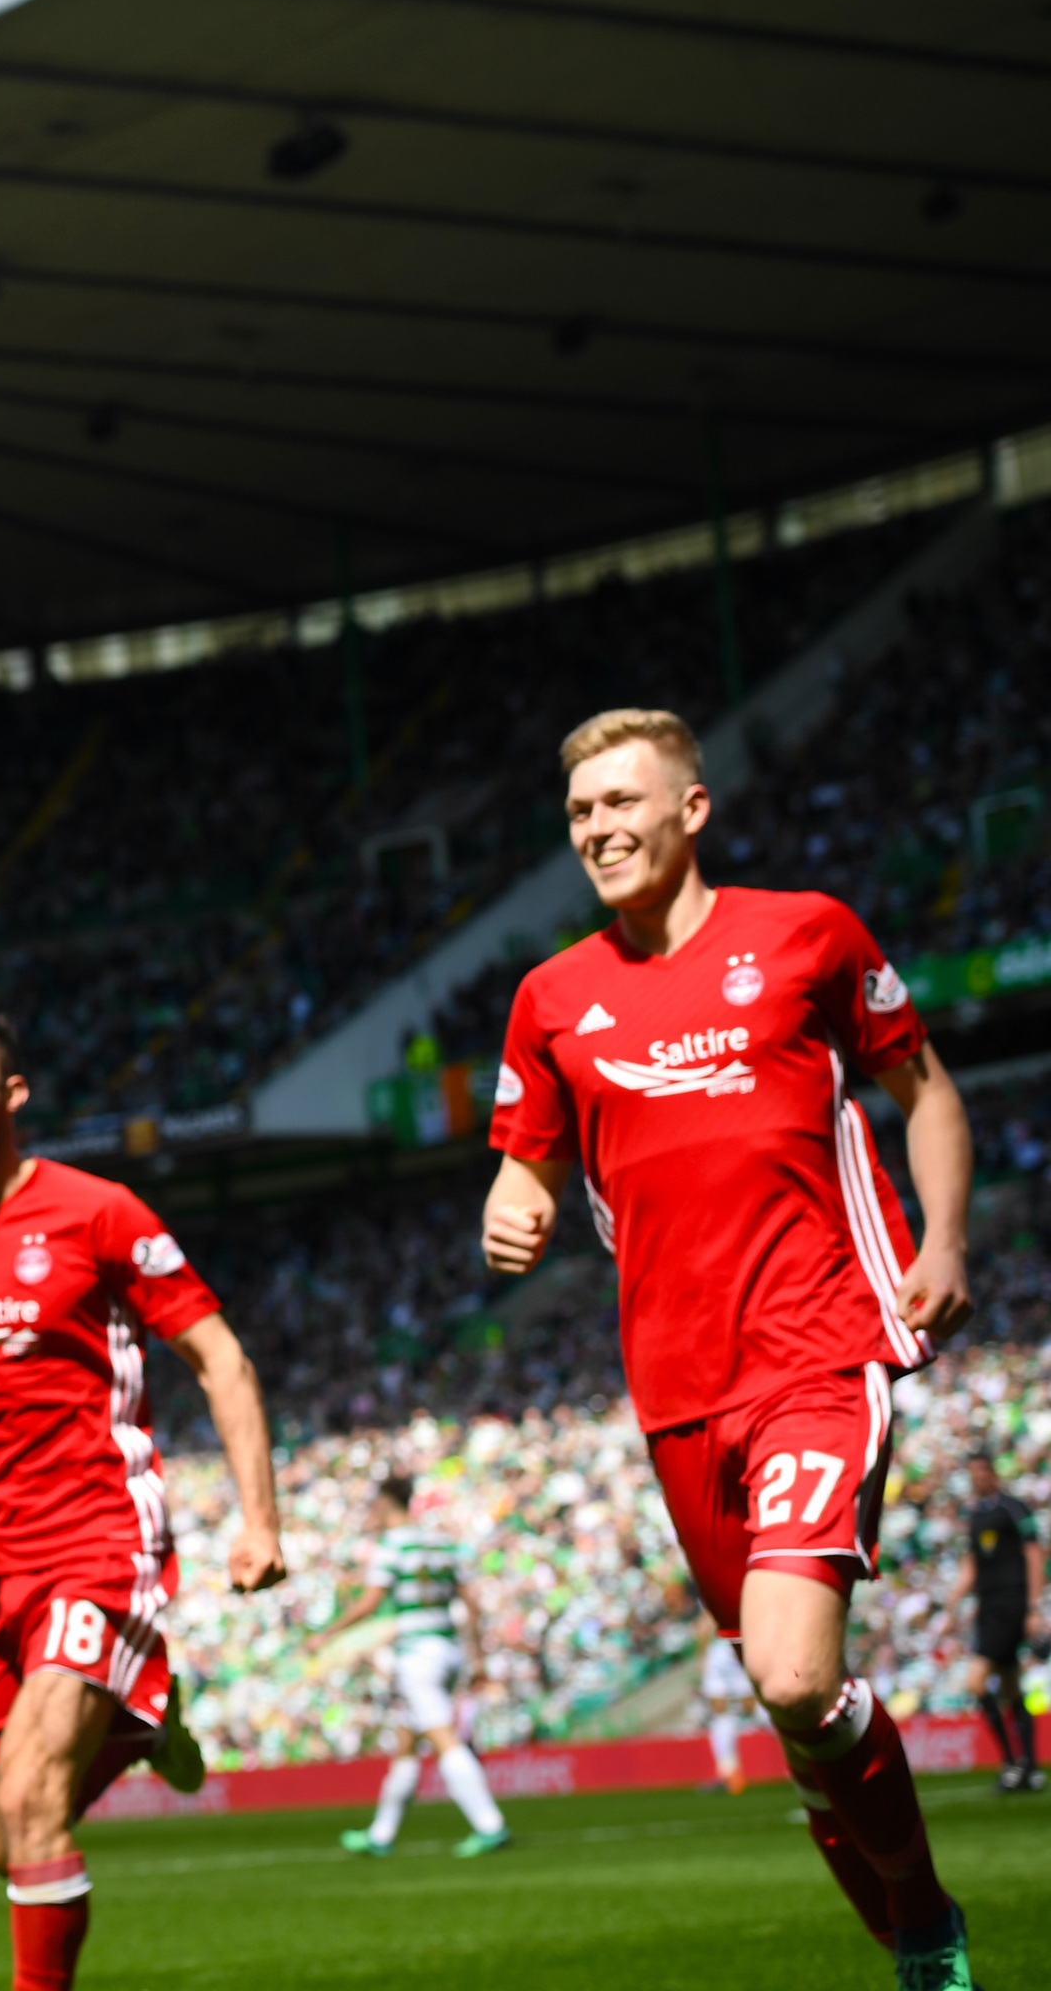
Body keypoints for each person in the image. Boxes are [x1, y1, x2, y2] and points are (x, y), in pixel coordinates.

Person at [483, 707, 977, 1990]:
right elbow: (525, 1168)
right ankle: (908, 1925)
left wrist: (945, 1246)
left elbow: (926, 1091)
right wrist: (514, 1206)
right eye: (581, 811)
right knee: (789, 1709)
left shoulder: (806, 933)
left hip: (821, 1348)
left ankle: (923, 1918)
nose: (598, 829)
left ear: (691, 810)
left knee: (799, 1674)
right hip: (675, 1394)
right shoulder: (551, 998)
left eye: (621, 803)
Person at [0, 1003, 287, 1991]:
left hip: (97, 1545)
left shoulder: (97, 1212)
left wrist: (259, 1519)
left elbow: (218, 1358)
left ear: (11, 1092)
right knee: (3, 1839)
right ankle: (141, 1724)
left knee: (31, 1803)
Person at [316, 1475, 510, 1858]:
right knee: (406, 1743)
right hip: (448, 1648)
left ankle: (490, 1825)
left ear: (387, 1504)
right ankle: (381, 1835)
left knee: (443, 1738)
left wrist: (328, 1634)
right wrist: (477, 1658)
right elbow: (470, 1603)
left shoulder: (390, 1546)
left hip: (417, 1655)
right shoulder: (441, 1543)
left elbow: (371, 1602)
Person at [954, 1452, 1041, 1791]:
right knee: (1011, 1686)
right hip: (988, 1607)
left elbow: (1034, 1554)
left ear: (992, 1472)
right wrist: (953, 1601)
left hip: (1011, 1605)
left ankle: (1010, 1762)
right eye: (971, 1472)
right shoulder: (975, 1515)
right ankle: (1030, 1770)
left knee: (976, 1682)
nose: (977, 1477)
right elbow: (972, 1564)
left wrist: (1033, 1607)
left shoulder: (1013, 1508)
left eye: (981, 1471)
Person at [701, 1624, 758, 1795]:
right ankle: (729, 1775)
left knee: (781, 1718)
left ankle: (806, 1768)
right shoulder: (717, 1653)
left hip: (763, 1698)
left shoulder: (753, 1643)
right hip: (741, 1702)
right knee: (721, 1726)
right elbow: (718, 1703)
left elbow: (751, 1703)